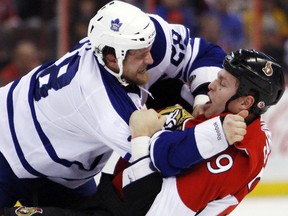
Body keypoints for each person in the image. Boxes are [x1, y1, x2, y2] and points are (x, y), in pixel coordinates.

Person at [0, 0, 226, 211]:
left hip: (61, 172)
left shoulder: (145, 35)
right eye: (141, 55)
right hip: (6, 153)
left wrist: (203, 99)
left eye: (149, 48)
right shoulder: (99, 96)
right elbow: (160, 155)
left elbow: (204, 53)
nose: (150, 60)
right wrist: (218, 133)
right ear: (112, 59)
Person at [3, 49, 285, 216]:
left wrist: (141, 138)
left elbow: (148, 212)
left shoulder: (228, 161)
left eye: (222, 84)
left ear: (246, 102)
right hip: (109, 199)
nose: (210, 85)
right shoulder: (235, 121)